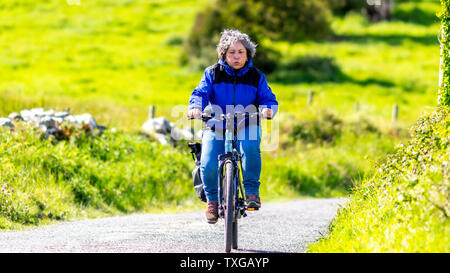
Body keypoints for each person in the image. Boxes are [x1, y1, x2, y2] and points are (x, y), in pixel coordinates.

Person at [188, 29, 278, 224]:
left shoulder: (256, 76)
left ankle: (252, 193)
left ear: (248, 55)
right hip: (216, 124)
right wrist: (196, 108)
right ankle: (212, 202)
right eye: (231, 53)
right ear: (223, 54)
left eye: (241, 52)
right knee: (208, 162)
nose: (236, 57)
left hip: (247, 122)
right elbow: (200, 93)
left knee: (250, 147)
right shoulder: (212, 73)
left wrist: (267, 110)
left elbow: (268, 99)